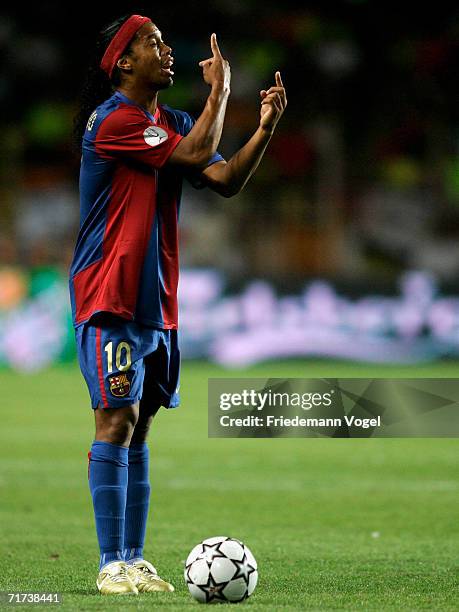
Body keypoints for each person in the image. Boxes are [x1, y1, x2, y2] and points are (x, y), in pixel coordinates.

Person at [70, 13, 286, 596]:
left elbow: (223, 178)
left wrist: (262, 129)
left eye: (164, 41)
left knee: (138, 433)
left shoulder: (173, 124)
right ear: (122, 63)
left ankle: (135, 561)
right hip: (108, 294)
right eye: (152, 42)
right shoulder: (113, 120)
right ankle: (110, 565)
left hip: (157, 301)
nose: (166, 50)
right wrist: (221, 91)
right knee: (114, 421)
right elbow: (193, 157)